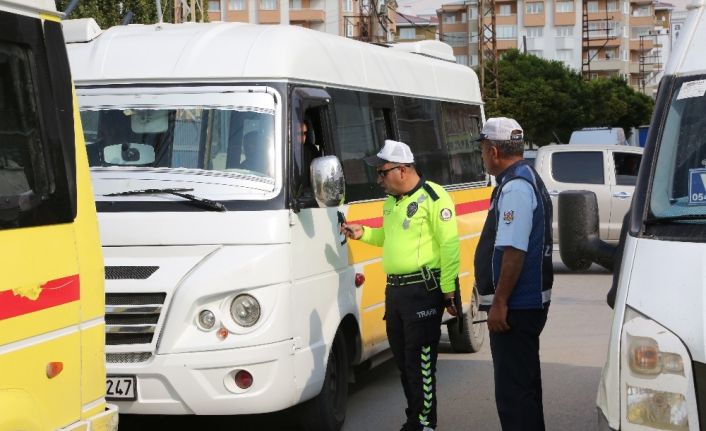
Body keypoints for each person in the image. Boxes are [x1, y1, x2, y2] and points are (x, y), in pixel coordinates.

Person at [342, 139, 460, 431]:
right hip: (395, 292)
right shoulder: (392, 203)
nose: (378, 179)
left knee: (420, 363)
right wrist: (363, 233)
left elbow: (449, 245)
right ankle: (414, 417)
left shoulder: (434, 197)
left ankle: (423, 423)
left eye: (382, 172)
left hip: (423, 290)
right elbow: (388, 239)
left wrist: (448, 290)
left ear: (403, 170)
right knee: (404, 362)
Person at [473, 117, 553, 431]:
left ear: (493, 151)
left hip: (515, 309)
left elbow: (514, 250)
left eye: (482, 149)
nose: (482, 156)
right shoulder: (524, 177)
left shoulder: (516, 186)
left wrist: (500, 302)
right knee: (525, 388)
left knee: (514, 395)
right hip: (524, 305)